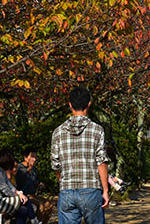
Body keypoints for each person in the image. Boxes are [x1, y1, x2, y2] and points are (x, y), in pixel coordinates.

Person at [51, 87, 109, 224]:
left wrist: (63, 182)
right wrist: (105, 190)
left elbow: (55, 164)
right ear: (89, 104)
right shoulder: (97, 130)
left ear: (70, 105)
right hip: (91, 188)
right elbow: (101, 161)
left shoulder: (58, 132)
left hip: (67, 190)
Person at [0, 149, 40, 224]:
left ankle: (33, 220)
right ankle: (34, 221)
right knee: (24, 201)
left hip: (1, 201)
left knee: (23, 209)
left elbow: (10, 186)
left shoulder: (1, 171)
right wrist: (19, 196)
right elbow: (6, 191)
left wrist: (19, 193)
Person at [16, 147, 55, 224]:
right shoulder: (18, 168)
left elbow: (33, 180)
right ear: (25, 158)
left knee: (50, 205)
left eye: (35, 157)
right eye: (32, 157)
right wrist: (28, 169)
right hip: (24, 195)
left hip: (33, 194)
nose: (34, 159)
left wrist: (39, 184)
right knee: (41, 205)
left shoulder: (33, 169)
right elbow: (18, 180)